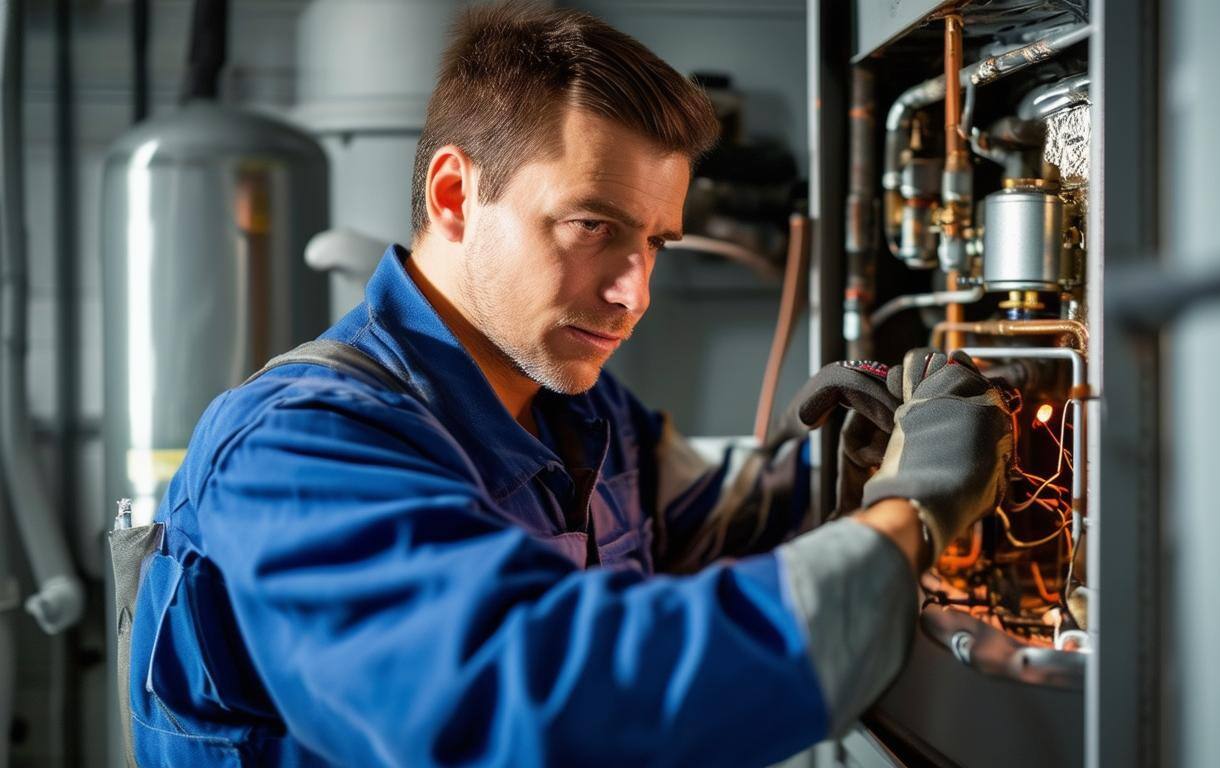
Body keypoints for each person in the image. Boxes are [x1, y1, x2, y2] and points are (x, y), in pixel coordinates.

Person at [126, 4, 1013, 765]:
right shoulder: (298, 448)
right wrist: (910, 516)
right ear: (452, 196)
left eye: (657, 241)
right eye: (593, 225)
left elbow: (712, 529)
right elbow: (541, 707)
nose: (636, 292)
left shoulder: (581, 408)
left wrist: (858, 467)